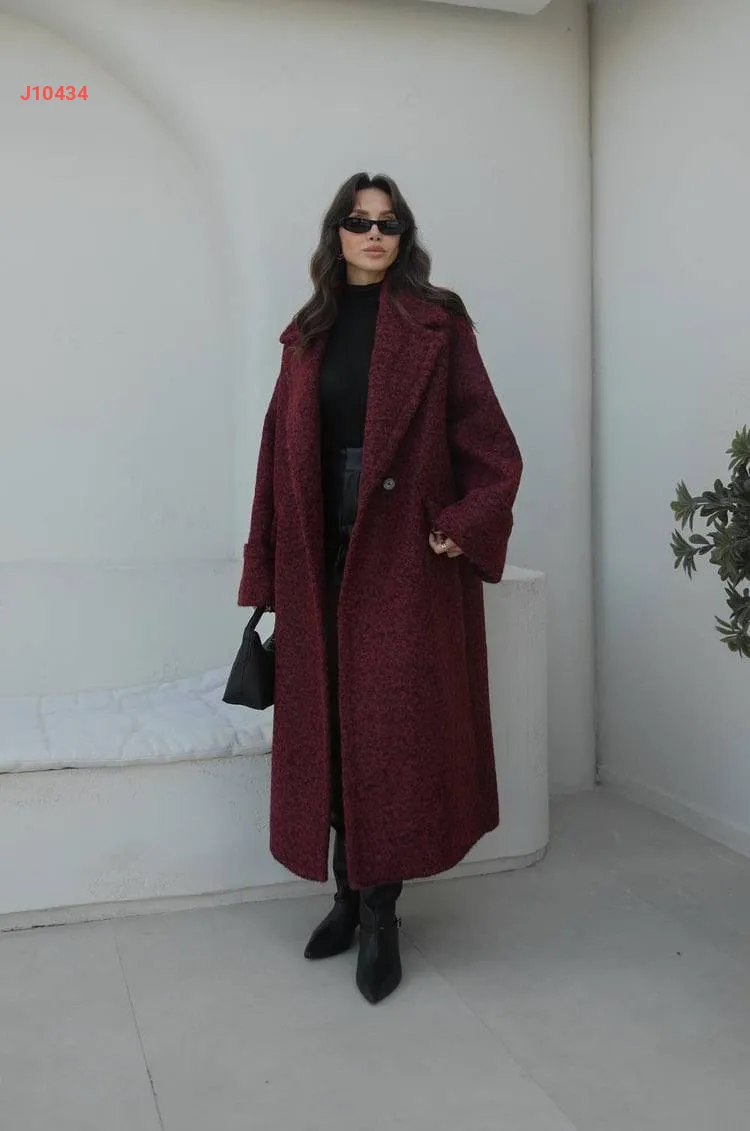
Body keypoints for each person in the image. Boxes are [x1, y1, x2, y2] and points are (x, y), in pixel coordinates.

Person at [238, 171, 522, 1004]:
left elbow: (493, 446)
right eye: (359, 221)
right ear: (337, 233)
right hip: (316, 551)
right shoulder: (307, 333)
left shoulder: (437, 322)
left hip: (400, 555)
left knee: (388, 732)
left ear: (404, 236)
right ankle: (343, 894)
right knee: (327, 726)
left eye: (388, 223)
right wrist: (266, 568)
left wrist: (463, 521)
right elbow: (274, 457)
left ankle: (380, 916)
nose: (373, 234)